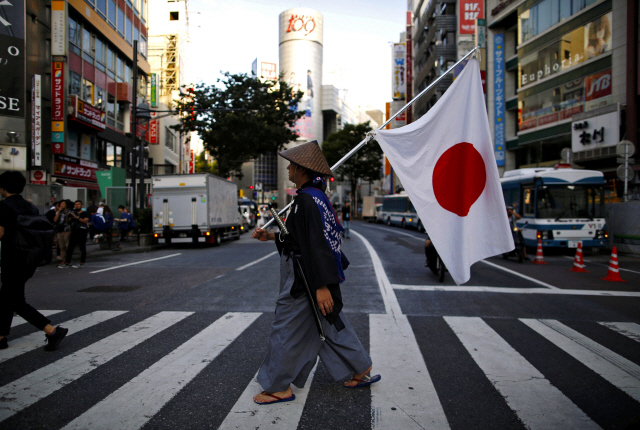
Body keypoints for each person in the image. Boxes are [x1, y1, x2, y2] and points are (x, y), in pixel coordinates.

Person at [251, 140, 379, 405]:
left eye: (291, 164)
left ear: (301, 169)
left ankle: (278, 386)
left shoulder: (307, 201)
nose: (288, 168)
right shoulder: (315, 198)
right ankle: (360, 366)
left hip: (305, 279)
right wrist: (270, 237)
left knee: (284, 328)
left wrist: (321, 286)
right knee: (328, 322)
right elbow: (299, 239)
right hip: (310, 274)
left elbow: (316, 246)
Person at [0, 171, 68, 351]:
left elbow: (0, 233)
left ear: (3, 187)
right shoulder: (31, 208)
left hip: (10, 259)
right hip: (29, 259)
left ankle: (52, 330)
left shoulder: (3, 207)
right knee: (8, 296)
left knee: (14, 300)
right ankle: (0, 336)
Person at [61, 200, 90, 269]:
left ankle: (81, 262)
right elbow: (68, 222)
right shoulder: (72, 213)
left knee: (82, 247)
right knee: (70, 247)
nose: (77, 206)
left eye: (78, 204)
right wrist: (68, 217)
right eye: (75, 204)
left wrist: (77, 217)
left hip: (82, 231)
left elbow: (85, 221)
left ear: (81, 205)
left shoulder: (85, 213)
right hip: (74, 231)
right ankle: (67, 262)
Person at [53, 200, 71, 266]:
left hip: (66, 230)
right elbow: (55, 220)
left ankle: (68, 260)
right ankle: (63, 260)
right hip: (59, 231)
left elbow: (69, 221)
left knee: (67, 246)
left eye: (63, 204)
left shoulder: (69, 212)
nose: (62, 205)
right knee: (61, 247)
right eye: (61, 204)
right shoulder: (58, 212)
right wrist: (59, 212)